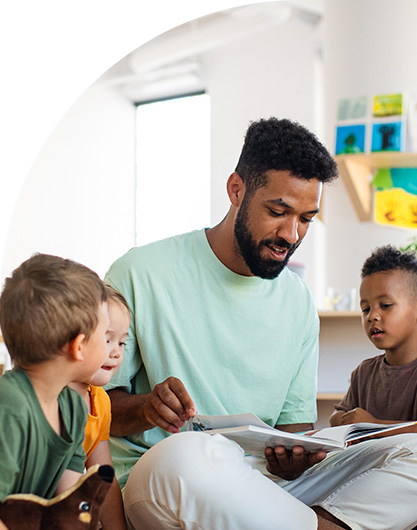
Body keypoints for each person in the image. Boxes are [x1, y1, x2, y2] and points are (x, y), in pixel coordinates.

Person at [105, 117, 417, 530]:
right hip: (170, 481)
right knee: (185, 455)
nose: (291, 233)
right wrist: (147, 408)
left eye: (306, 218)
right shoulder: (140, 272)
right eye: (278, 211)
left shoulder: (297, 300)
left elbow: (294, 430)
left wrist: (295, 459)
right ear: (237, 190)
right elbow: (90, 410)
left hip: (267, 489)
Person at [0, 253, 109, 529]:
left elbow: (68, 503)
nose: (111, 349)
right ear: (79, 346)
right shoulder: (9, 406)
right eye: (106, 336)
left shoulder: (73, 408)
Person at [330, 245, 417, 427]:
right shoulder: (364, 372)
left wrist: (373, 425)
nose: (372, 316)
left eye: (385, 305)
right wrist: (345, 419)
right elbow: (337, 415)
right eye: (365, 309)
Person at [69, 284, 130, 530]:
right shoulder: (51, 397)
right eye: (107, 340)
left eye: (122, 343)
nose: (115, 352)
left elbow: (103, 476)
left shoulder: (100, 401)